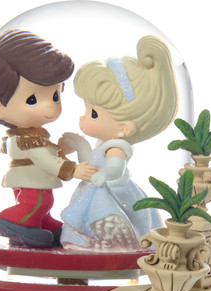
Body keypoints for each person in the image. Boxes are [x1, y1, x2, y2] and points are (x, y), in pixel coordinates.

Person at [0, 29, 96, 248]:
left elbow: (46, 153)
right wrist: (72, 170)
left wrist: (62, 148)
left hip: (30, 178)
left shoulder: (32, 135)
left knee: (44, 203)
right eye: (32, 100)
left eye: (55, 96)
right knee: (38, 201)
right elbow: (43, 160)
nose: (51, 107)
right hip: (30, 179)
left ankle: (41, 223)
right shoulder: (25, 139)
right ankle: (12, 221)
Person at [59, 36, 178, 252]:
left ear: (124, 128)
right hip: (97, 186)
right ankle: (91, 241)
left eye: (93, 114)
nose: (83, 118)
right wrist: (80, 146)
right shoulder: (104, 142)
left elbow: (116, 167)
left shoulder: (116, 147)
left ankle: (112, 243)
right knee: (88, 215)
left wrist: (106, 174)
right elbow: (92, 163)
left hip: (112, 192)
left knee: (102, 214)